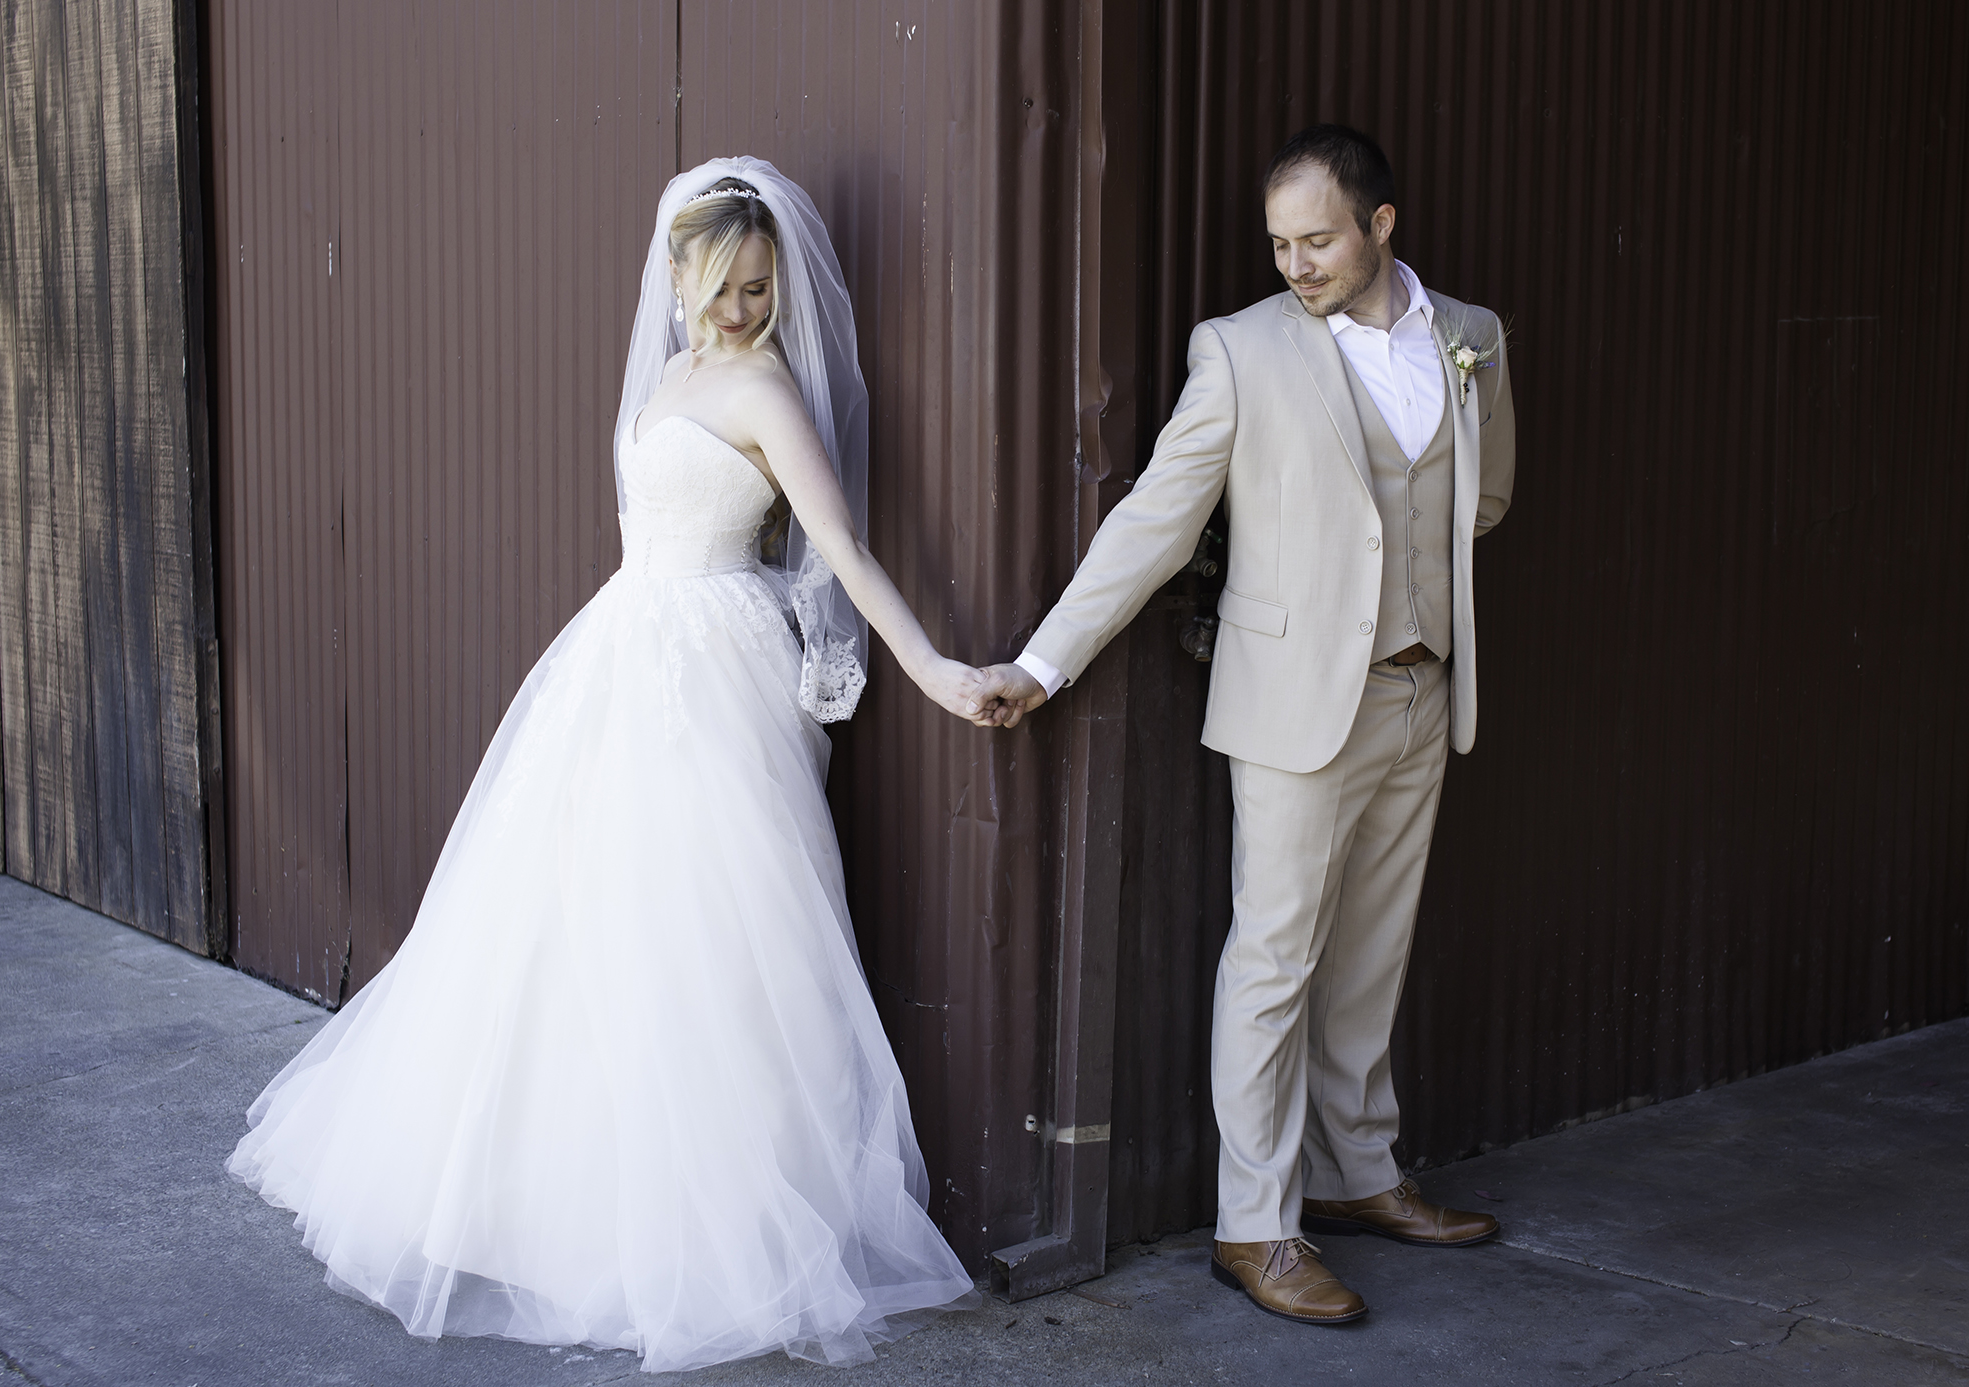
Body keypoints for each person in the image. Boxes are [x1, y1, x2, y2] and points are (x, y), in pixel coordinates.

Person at [228, 157, 986, 1373]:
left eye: (759, 290)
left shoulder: (765, 389)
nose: (741, 311)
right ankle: (545, 1198)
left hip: (715, 663)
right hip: (622, 647)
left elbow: (836, 543)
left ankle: (711, 1230)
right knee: (572, 919)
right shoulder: (671, 372)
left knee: (704, 934)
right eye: (724, 288)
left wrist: (936, 668)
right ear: (677, 275)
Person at [975, 125, 1517, 1324]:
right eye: (1278, 242)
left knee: (1371, 955)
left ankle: (1356, 1173)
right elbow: (1157, 520)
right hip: (1289, 706)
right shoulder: (1237, 352)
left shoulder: (1469, 336)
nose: (1294, 263)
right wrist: (1042, 660)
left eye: (1316, 238)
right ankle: (1254, 1224)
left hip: (1424, 690)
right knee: (1272, 961)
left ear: (1381, 224)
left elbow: (1481, 500)